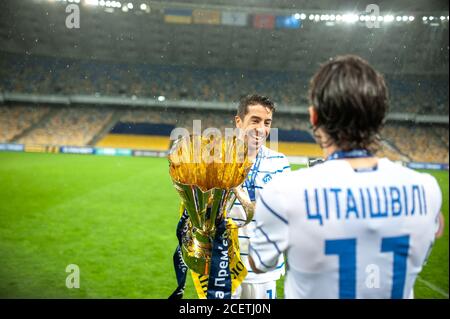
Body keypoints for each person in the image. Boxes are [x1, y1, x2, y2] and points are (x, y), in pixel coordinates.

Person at [248, 55, 444, 299]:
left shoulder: (284, 193)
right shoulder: (427, 190)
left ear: (314, 117)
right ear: (381, 118)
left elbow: (258, 263)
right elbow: (429, 239)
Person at [229, 94, 291, 299]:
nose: (261, 128)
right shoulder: (217, 161)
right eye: (254, 120)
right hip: (224, 269)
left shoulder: (280, 163)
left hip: (264, 270)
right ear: (239, 121)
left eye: (267, 122)